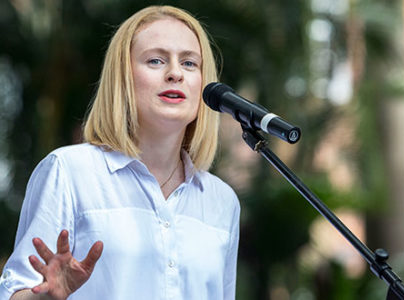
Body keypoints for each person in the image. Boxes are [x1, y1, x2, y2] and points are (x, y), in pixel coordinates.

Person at [0, 5, 240, 300]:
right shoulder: (69, 171)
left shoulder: (222, 201)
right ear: (122, 77)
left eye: (190, 63)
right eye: (155, 60)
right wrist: (44, 296)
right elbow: (16, 288)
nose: (175, 73)